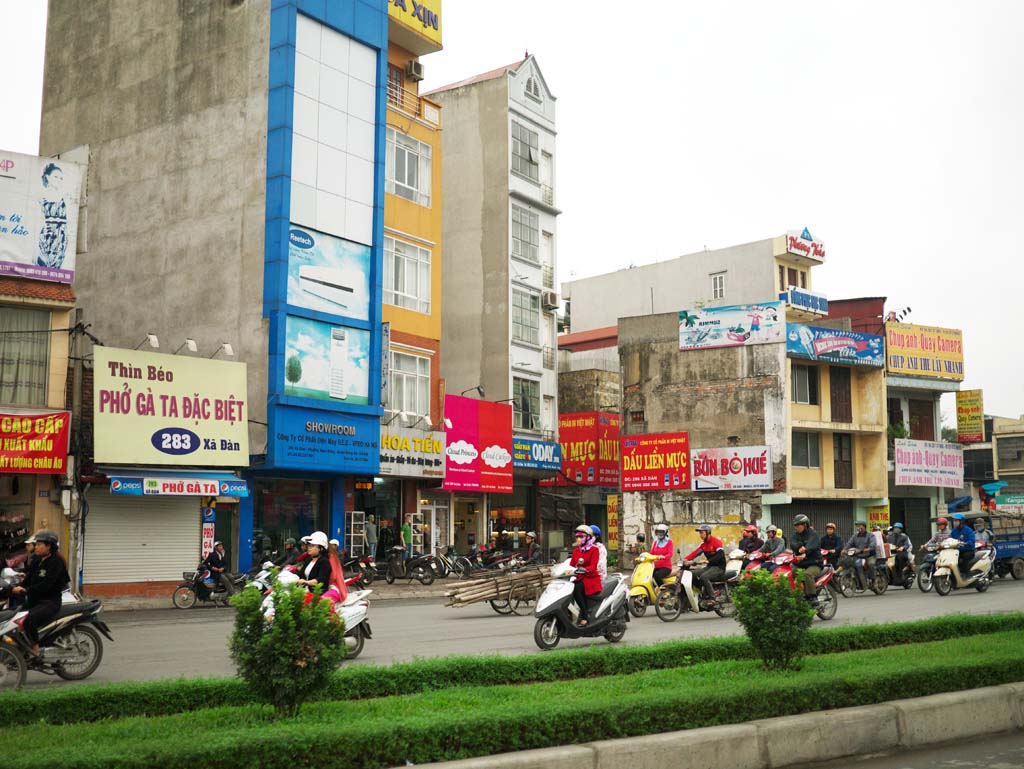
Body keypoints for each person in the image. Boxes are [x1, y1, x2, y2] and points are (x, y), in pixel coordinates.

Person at [10, 530, 68, 658]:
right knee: (13, 616)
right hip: (34, 600)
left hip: (50, 602)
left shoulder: (56, 562)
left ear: (49, 546)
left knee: (29, 619)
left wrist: (26, 591)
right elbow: (29, 578)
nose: (36, 547)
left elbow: (46, 585)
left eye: (39, 544)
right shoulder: (37, 559)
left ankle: (35, 649)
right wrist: (18, 587)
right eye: (36, 544)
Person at [682, 524, 726, 601]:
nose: (700, 535)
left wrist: (708, 561)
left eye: (702, 533)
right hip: (710, 567)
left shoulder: (716, 542)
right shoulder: (703, 545)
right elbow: (695, 553)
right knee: (691, 574)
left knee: (704, 577)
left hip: (719, 568)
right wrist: (685, 559)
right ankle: (701, 593)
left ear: (708, 532)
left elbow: (721, 555)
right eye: (700, 533)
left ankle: (712, 598)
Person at [569, 524, 602, 626]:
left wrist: (584, 569)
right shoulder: (576, 551)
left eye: (581, 537)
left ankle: (585, 615)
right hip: (579, 577)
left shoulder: (594, 550)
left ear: (588, 538)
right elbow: (571, 564)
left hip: (591, 579)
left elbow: (593, 567)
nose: (578, 539)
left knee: (576, 589)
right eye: (577, 537)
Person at [790, 514, 822, 596]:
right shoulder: (795, 535)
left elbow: (812, 544)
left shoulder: (813, 534)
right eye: (795, 525)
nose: (796, 527)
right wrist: (798, 547)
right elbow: (793, 543)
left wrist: (805, 551)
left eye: (798, 525)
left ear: (805, 524)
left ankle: (812, 597)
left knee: (807, 574)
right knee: (789, 574)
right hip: (801, 564)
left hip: (814, 563)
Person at [844, 521, 876, 590]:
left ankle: (873, 580)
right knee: (852, 564)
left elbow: (873, 544)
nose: (858, 527)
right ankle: (859, 582)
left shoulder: (870, 535)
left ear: (864, 526)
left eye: (859, 526)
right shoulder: (855, 536)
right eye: (857, 526)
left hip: (869, 555)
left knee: (871, 564)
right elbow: (849, 543)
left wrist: (868, 548)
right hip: (859, 555)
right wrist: (844, 550)